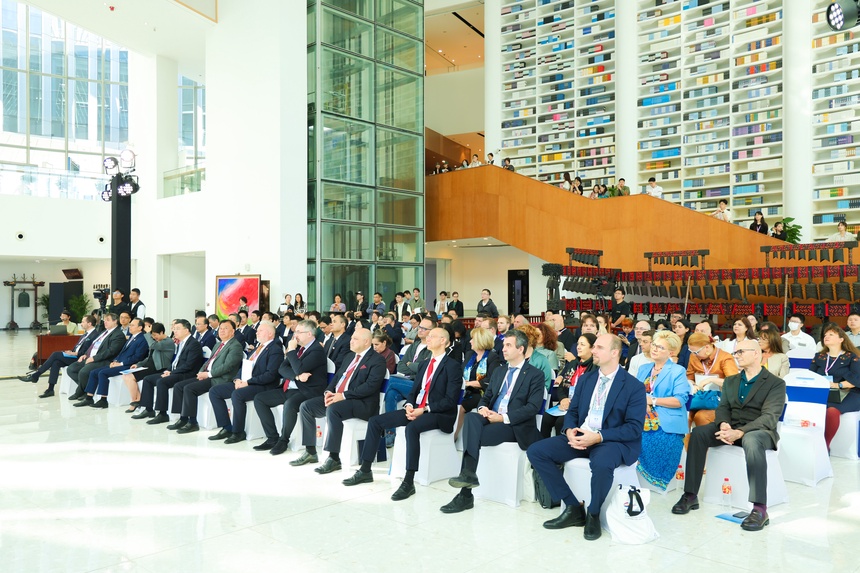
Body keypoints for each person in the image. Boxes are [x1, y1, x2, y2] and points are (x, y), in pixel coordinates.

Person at [527, 334, 646, 540]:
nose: (593, 351)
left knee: (602, 463)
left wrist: (598, 437)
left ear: (614, 353)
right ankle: (572, 507)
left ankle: (593, 513)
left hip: (611, 440)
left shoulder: (633, 386)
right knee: (536, 451)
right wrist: (569, 430)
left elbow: (634, 428)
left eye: (599, 347)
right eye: (594, 346)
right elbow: (572, 412)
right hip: (582, 434)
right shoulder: (586, 379)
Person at [672, 339, 786, 532]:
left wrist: (740, 431)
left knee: (751, 439)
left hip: (760, 431)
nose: (737, 356)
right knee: (699, 433)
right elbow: (723, 408)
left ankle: (759, 508)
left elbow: (769, 417)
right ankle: (690, 495)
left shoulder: (776, 383)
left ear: (756, 354)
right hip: (731, 427)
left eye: (741, 352)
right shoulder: (731, 381)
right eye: (735, 352)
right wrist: (723, 424)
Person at [342, 327, 461, 501]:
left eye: (432, 336)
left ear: (443, 340)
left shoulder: (452, 366)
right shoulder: (425, 364)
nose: (427, 339)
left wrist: (424, 409)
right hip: (417, 409)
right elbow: (414, 391)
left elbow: (450, 400)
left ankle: (408, 481)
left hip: (438, 413)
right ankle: (365, 470)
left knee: (411, 428)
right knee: (375, 422)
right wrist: (409, 405)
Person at [441, 330, 545, 515]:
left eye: (508, 345)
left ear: (521, 349)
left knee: (475, 435)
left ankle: (465, 494)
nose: (503, 349)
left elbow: (532, 407)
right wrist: (483, 408)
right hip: (492, 416)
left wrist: (503, 418)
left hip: (514, 425)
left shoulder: (534, 374)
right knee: (472, 417)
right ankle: (469, 478)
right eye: (503, 345)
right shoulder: (500, 371)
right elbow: (486, 397)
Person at [292, 328, 387, 473]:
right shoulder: (350, 356)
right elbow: (337, 377)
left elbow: (370, 386)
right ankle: (311, 451)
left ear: (366, 341)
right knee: (306, 407)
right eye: (352, 338)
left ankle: (334, 458)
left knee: (334, 409)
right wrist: (328, 392)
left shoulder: (377, 360)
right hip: (339, 398)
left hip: (362, 404)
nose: (351, 341)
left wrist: (343, 396)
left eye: (355, 339)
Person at [252, 320, 327, 452]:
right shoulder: (299, 348)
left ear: (309, 334)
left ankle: (283, 440)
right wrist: (296, 377)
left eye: (298, 332)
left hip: (307, 391)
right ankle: (272, 437)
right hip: (290, 387)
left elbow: (299, 368)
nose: (295, 335)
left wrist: (291, 350)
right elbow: (282, 368)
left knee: (290, 404)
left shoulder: (317, 350)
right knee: (259, 399)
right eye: (295, 332)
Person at [166, 319, 246, 434]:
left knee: (189, 388)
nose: (222, 331)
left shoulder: (235, 346)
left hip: (220, 378)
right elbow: (208, 362)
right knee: (179, 386)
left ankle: (192, 422)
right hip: (208, 375)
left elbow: (227, 366)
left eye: (226, 328)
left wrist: (208, 374)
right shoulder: (218, 344)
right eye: (221, 328)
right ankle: (183, 418)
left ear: (233, 331)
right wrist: (200, 373)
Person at [209, 321, 283, 444]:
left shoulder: (275, 349)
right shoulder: (258, 348)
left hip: (263, 385)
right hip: (246, 381)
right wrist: (237, 379)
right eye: (257, 330)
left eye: (260, 330)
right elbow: (244, 366)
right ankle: (227, 427)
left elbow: (270, 375)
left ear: (270, 333)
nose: (257, 332)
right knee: (215, 391)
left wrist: (248, 382)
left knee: (237, 395)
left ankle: (238, 432)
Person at [635, 331, 690, 491]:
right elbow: (635, 393)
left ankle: (657, 480)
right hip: (641, 415)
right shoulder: (644, 368)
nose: (655, 349)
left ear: (671, 353)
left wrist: (653, 401)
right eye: (654, 345)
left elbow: (680, 400)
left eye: (660, 347)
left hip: (667, 419)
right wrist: (642, 402)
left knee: (653, 436)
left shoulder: (677, 370)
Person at [132, 320, 205, 422]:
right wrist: (168, 370)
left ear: (186, 330)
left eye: (178, 329)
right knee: (148, 379)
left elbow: (189, 365)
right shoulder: (181, 343)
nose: (175, 331)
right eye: (174, 329)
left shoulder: (194, 344)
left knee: (161, 382)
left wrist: (172, 372)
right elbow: (175, 361)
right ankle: (148, 409)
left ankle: (163, 414)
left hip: (187, 374)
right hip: (176, 371)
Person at [75, 317, 150, 408]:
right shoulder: (132, 337)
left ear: (140, 328)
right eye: (130, 325)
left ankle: (103, 400)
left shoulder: (142, 339)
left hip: (129, 365)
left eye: (133, 325)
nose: (130, 327)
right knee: (93, 372)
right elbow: (121, 352)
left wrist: (121, 363)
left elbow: (138, 357)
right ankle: (89, 398)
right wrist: (115, 361)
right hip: (119, 362)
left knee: (102, 373)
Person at [20, 315, 99, 398]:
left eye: (83, 322)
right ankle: (50, 389)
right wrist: (71, 352)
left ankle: (36, 375)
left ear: (89, 324)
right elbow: (78, 346)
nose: (81, 324)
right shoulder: (85, 334)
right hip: (74, 355)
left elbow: (89, 351)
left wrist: (75, 353)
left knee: (55, 354)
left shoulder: (94, 335)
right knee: (56, 362)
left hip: (80, 358)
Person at [809, 324, 860, 450]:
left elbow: (857, 379)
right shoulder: (819, 357)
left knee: (832, 411)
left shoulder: (852, 357)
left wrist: (838, 385)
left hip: (849, 392)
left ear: (841, 339)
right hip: (825, 392)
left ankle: (824, 446)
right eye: (825, 335)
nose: (826, 337)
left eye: (831, 335)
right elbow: (811, 376)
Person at [541, 333, 598, 438]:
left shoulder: (595, 367)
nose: (578, 347)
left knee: (561, 422)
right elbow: (562, 386)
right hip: (565, 403)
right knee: (546, 418)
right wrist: (563, 399)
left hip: (581, 406)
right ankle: (544, 445)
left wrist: (572, 403)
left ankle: (562, 447)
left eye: (582, 344)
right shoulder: (573, 363)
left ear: (592, 348)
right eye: (578, 344)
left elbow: (590, 392)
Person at [66, 313, 127, 400]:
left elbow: (111, 351)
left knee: (83, 372)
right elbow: (93, 345)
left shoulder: (118, 335)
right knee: (71, 369)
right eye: (105, 320)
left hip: (104, 360)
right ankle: (85, 390)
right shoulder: (104, 332)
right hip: (91, 357)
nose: (105, 322)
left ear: (115, 321)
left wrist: (94, 358)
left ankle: (80, 392)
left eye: (108, 320)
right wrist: (85, 354)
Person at [685, 332, 739, 429]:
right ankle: (684, 439)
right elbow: (689, 377)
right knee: (683, 415)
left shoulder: (725, 358)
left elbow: (734, 383)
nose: (694, 355)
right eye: (691, 351)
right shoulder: (693, 356)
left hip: (718, 400)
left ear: (706, 347)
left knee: (701, 417)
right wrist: (693, 385)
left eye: (696, 352)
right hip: (699, 397)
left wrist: (712, 380)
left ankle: (701, 438)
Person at [456, 327, 503, 439]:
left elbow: (491, 380)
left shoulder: (492, 357)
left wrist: (470, 383)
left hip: (481, 393)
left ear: (480, 340)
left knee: (461, 407)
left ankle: (454, 437)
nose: (470, 341)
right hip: (466, 390)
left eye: (473, 339)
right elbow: (461, 372)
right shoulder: (470, 355)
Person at [122, 322, 174, 413]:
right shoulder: (156, 341)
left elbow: (153, 346)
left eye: (155, 335)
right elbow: (149, 357)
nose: (153, 337)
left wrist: (148, 333)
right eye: (152, 335)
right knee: (125, 375)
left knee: (130, 377)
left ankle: (135, 401)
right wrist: (138, 364)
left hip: (158, 368)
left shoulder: (168, 342)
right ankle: (137, 399)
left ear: (162, 332)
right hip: (149, 365)